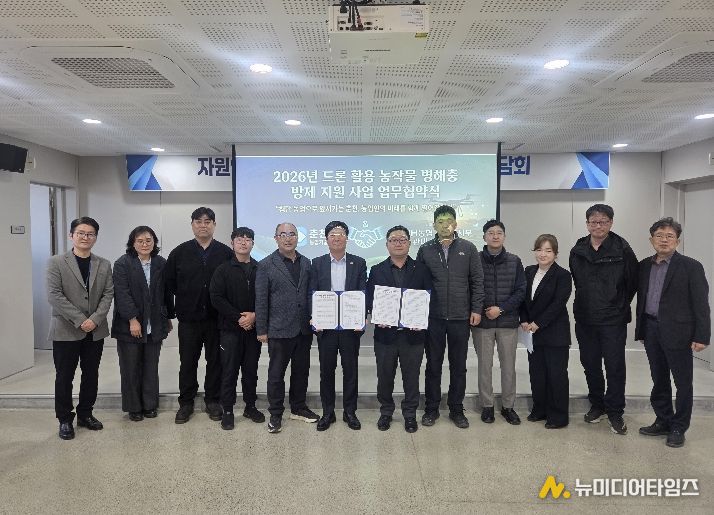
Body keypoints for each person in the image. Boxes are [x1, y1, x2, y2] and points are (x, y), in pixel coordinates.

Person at [635, 218, 710, 448]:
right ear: (651, 240)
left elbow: (701, 304)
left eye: (669, 236)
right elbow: (641, 298)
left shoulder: (691, 266)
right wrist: (641, 328)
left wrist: (702, 335)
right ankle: (663, 420)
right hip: (651, 329)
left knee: (683, 382)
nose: (664, 240)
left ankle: (679, 426)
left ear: (677, 241)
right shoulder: (644, 265)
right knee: (659, 379)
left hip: (680, 333)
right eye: (659, 235)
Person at [569, 204, 637, 435]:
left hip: (613, 319)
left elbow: (632, 283)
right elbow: (578, 280)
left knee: (615, 366)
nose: (598, 226)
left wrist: (617, 303)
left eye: (603, 221)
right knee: (590, 364)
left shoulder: (622, 248)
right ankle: (597, 404)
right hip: (585, 317)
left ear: (611, 223)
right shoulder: (578, 249)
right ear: (587, 224)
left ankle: (615, 411)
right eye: (594, 222)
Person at [417, 205, 484, 428]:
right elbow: (419, 285)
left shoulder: (468, 248)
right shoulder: (425, 249)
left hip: (460, 317)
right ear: (434, 225)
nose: (445, 225)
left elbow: (477, 281)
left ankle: (456, 409)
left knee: (458, 366)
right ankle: (431, 409)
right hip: (433, 318)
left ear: (455, 224)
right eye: (440, 221)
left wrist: (476, 309)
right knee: (433, 365)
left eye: (449, 221)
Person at [47, 217, 114, 440]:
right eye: (81, 233)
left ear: (95, 237)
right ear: (71, 235)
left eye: (90, 234)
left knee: (91, 374)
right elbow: (54, 295)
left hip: (95, 330)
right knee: (64, 376)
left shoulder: (103, 264)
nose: (86, 237)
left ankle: (85, 414)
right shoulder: (56, 262)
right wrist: (80, 319)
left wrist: (94, 319)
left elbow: (108, 294)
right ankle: (65, 419)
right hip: (66, 329)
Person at [165, 207, 232, 424]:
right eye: (198, 221)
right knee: (187, 362)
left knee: (215, 362)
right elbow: (169, 284)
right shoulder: (179, 253)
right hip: (189, 319)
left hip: (216, 319)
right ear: (192, 224)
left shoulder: (225, 253)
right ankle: (186, 402)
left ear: (214, 225)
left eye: (207, 221)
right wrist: (173, 311)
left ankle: (213, 400)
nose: (203, 225)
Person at [367, 226, 432, 433]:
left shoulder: (422, 269)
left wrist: (421, 318)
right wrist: (376, 316)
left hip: (413, 335)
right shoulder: (377, 270)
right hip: (385, 335)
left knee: (411, 377)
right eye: (393, 240)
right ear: (387, 245)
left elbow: (430, 298)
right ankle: (386, 412)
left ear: (409, 243)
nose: (398, 243)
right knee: (385, 376)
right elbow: (370, 299)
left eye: (402, 240)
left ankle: (410, 414)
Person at [256, 222, 319, 433]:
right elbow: (261, 299)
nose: (288, 238)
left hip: (303, 329)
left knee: (301, 372)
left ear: (297, 237)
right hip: (278, 329)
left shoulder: (307, 262)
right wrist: (261, 330)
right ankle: (275, 413)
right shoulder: (266, 264)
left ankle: (298, 407)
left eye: (292, 234)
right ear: (276, 238)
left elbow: (310, 294)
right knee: (276, 375)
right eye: (283, 235)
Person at [309, 221, 367, 431]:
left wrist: (361, 317)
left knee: (350, 370)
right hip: (326, 328)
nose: (337, 237)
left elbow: (362, 292)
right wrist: (314, 317)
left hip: (350, 328)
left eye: (341, 233)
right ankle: (328, 412)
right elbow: (312, 292)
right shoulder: (317, 263)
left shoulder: (358, 263)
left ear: (347, 238)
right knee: (327, 371)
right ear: (326, 239)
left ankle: (350, 412)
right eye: (332, 234)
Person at [111, 226, 173, 422]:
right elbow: (122, 294)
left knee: (150, 367)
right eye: (140, 241)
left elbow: (165, 293)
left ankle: (149, 405)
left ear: (154, 242)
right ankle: (134, 407)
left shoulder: (161, 263)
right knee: (130, 368)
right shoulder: (122, 263)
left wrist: (167, 318)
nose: (145, 244)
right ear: (133, 243)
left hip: (155, 324)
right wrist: (132, 319)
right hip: (129, 325)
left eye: (148, 240)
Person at [209, 227, 265, 430]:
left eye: (248, 239)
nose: (243, 242)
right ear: (232, 243)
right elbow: (216, 297)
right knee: (229, 371)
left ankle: (250, 407)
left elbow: (266, 297)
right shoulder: (223, 269)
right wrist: (238, 318)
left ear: (253, 244)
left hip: (253, 329)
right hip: (230, 330)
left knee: (251, 371)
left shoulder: (260, 269)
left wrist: (254, 316)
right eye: (239, 239)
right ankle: (228, 411)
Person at [472, 220, 526, 425]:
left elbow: (521, 290)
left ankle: (508, 406)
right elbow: (472, 288)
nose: (495, 236)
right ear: (484, 236)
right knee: (484, 366)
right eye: (491, 233)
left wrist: (501, 309)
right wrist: (483, 310)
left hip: (507, 322)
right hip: (482, 323)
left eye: (499, 233)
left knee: (508, 366)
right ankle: (487, 406)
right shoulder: (475, 260)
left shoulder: (514, 261)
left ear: (504, 236)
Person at [520, 234, 573, 429]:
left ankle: (558, 416)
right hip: (532, 333)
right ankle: (539, 410)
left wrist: (538, 323)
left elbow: (558, 304)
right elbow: (522, 298)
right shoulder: (528, 271)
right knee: (537, 374)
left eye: (548, 250)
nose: (543, 254)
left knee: (556, 375)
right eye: (539, 249)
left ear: (555, 254)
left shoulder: (563, 275)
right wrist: (524, 320)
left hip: (554, 333)